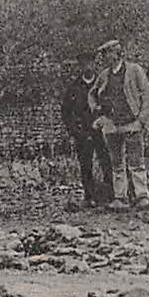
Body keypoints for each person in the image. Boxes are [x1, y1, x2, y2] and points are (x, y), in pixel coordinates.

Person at [90, 39, 149, 211]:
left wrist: (142, 119)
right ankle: (121, 198)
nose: (105, 57)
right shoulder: (104, 75)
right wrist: (99, 113)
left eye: (108, 53)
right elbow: (93, 95)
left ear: (117, 53)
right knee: (117, 164)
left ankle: (142, 197)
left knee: (136, 162)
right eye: (104, 54)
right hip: (112, 125)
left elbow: (148, 95)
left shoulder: (134, 70)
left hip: (132, 123)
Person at [61, 51, 111, 209]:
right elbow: (66, 112)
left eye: (90, 63)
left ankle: (111, 196)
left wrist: (108, 123)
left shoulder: (103, 83)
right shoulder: (74, 87)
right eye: (84, 64)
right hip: (83, 132)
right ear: (80, 66)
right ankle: (89, 197)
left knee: (107, 162)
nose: (87, 66)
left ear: (94, 64)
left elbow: (111, 105)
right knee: (85, 164)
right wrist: (75, 131)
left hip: (102, 130)